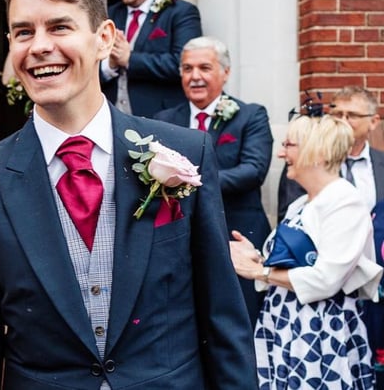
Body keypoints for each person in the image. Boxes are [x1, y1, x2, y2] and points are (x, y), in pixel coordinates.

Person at [0, 0, 255, 389]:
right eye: (23, 32)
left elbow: (223, 317)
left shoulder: (187, 152)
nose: (39, 46)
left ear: (105, 38)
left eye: (59, 27)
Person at [231, 114, 383, 388]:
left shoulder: (345, 202)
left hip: (318, 329)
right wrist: (256, 257)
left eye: (289, 145)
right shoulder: (301, 203)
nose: (281, 153)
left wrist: (259, 272)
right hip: (286, 321)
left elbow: (325, 279)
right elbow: (295, 263)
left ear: (318, 152)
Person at [154, 36, 273, 322]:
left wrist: (188, 180)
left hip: (237, 233)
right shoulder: (163, 119)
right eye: (187, 69)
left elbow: (253, 170)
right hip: (182, 236)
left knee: (241, 316)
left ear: (225, 72)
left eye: (204, 68)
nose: (195, 76)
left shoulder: (250, 116)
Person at [99, 0, 202, 118]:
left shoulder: (180, 12)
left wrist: (130, 59)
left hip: (160, 117)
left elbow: (183, 64)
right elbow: (87, 65)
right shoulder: (108, 15)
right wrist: (110, 65)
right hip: (110, 115)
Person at [278, 86, 384, 220]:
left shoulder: (381, 163)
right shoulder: (305, 161)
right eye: (337, 115)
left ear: (373, 122)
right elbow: (289, 217)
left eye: (352, 115)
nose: (343, 121)